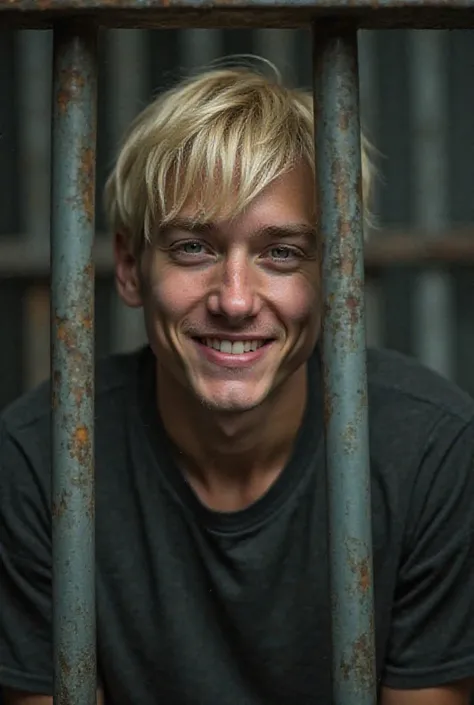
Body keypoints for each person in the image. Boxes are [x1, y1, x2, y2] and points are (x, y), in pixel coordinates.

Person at [1, 61, 474, 705]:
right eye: (193, 247)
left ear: (337, 278)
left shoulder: (429, 450)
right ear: (132, 267)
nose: (234, 299)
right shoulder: (40, 457)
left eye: (281, 252)